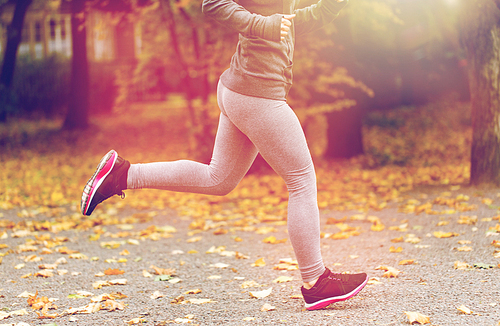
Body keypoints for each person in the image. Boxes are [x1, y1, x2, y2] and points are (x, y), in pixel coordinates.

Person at [81, 0, 368, 310]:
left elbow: (287, 22)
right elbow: (214, 4)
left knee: (218, 179)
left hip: (243, 88)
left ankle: (122, 174)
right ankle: (316, 281)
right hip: (257, 93)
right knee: (301, 180)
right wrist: (263, 25)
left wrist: (330, 7)